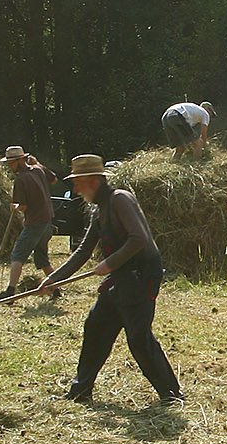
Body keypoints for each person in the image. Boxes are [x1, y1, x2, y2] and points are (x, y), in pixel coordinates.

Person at [38, 154, 183, 406]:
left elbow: (139, 239)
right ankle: (81, 391)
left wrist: (109, 263)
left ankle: (171, 394)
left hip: (141, 276)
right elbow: (82, 251)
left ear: (92, 181)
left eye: (77, 182)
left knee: (138, 337)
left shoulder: (120, 199)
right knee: (96, 328)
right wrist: (53, 279)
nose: (74, 188)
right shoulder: (99, 209)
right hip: (120, 278)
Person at [0, 146, 58, 301]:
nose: (9, 166)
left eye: (11, 163)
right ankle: (56, 289)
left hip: (34, 223)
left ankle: (10, 292)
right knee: (42, 259)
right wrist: (38, 163)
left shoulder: (21, 180)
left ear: (19, 161)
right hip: (47, 221)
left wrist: (14, 207)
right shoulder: (38, 170)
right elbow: (53, 179)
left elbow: (23, 207)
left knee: (17, 255)